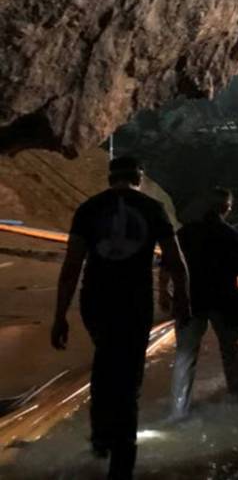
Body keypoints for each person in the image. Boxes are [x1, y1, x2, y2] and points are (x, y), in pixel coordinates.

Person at [51, 157, 190, 480]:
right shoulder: (153, 209)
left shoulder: (89, 208)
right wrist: (183, 301)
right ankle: (121, 462)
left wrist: (60, 316)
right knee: (129, 378)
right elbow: (176, 262)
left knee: (105, 362)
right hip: (134, 303)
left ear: (110, 178)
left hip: (95, 301)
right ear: (139, 177)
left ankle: (100, 439)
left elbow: (71, 266)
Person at [168, 188, 238, 418]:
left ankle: (178, 410)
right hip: (224, 301)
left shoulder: (185, 233)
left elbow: (170, 262)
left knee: (185, 355)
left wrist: (167, 295)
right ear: (227, 209)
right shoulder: (232, 236)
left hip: (191, 299)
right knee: (230, 351)